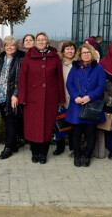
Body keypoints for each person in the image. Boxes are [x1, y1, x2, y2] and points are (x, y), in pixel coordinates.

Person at [18, 32, 65, 164]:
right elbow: (22, 78)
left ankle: (43, 153)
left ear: (47, 41)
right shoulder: (29, 56)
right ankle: (35, 152)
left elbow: (59, 79)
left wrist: (61, 97)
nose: (41, 42)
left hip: (50, 99)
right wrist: (22, 98)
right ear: (35, 42)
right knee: (33, 127)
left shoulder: (54, 56)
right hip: (32, 99)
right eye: (38, 40)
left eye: (43, 40)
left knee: (47, 127)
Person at [65, 44, 106, 167]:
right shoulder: (75, 67)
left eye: (88, 52)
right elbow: (69, 83)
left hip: (91, 105)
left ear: (92, 53)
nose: (86, 54)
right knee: (76, 133)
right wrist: (75, 96)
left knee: (90, 133)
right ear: (80, 55)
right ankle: (77, 155)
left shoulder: (98, 68)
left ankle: (87, 156)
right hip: (77, 105)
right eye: (84, 53)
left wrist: (90, 96)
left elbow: (101, 86)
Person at [0, 36, 25, 159]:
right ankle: (13, 145)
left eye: (12, 45)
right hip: (0, 96)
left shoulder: (20, 59)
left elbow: (21, 80)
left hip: (11, 97)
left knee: (10, 122)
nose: (9, 47)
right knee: (7, 121)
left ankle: (8, 148)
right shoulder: (0, 59)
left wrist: (15, 94)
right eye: (7, 45)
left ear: (16, 47)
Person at [53, 41, 76, 156]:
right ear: (63, 51)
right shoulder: (58, 64)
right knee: (59, 123)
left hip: (74, 99)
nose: (70, 51)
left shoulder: (77, 64)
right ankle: (60, 147)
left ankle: (73, 147)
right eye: (67, 49)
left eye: (72, 48)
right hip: (61, 98)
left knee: (73, 124)